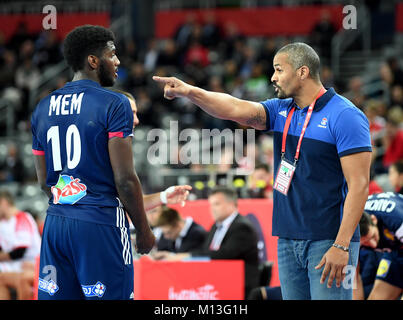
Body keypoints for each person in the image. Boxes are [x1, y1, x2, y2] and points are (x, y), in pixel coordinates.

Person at [153, 42, 372, 300]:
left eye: (279, 69)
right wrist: (191, 92)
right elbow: (233, 108)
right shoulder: (281, 110)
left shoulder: (345, 115)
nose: (273, 77)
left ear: (303, 72)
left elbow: (359, 186)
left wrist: (341, 244)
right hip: (288, 239)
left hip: (327, 240)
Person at [31, 25, 190, 300]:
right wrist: (143, 230)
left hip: (56, 223)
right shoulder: (114, 103)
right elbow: (125, 178)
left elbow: (43, 180)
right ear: (93, 61)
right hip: (100, 223)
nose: (117, 61)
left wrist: (70, 203)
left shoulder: (42, 107)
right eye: (112, 54)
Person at [156, 187, 259, 299]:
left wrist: (185, 256)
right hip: (217, 283)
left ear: (231, 204)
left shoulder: (242, 227)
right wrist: (178, 257)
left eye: (217, 204)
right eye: (211, 205)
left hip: (239, 285)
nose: (212, 209)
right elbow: (206, 251)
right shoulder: (215, 226)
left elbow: (224, 255)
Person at [357, 191, 403, 299]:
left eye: (373, 237)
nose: (372, 245)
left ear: (374, 219)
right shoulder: (348, 235)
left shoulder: (396, 219)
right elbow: (353, 279)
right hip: (394, 250)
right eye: (365, 243)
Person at [0, 191, 41, 300]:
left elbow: (18, 252)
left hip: (34, 267)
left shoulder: (22, 218)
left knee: (21, 280)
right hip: (14, 268)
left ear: (3, 203)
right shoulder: (2, 223)